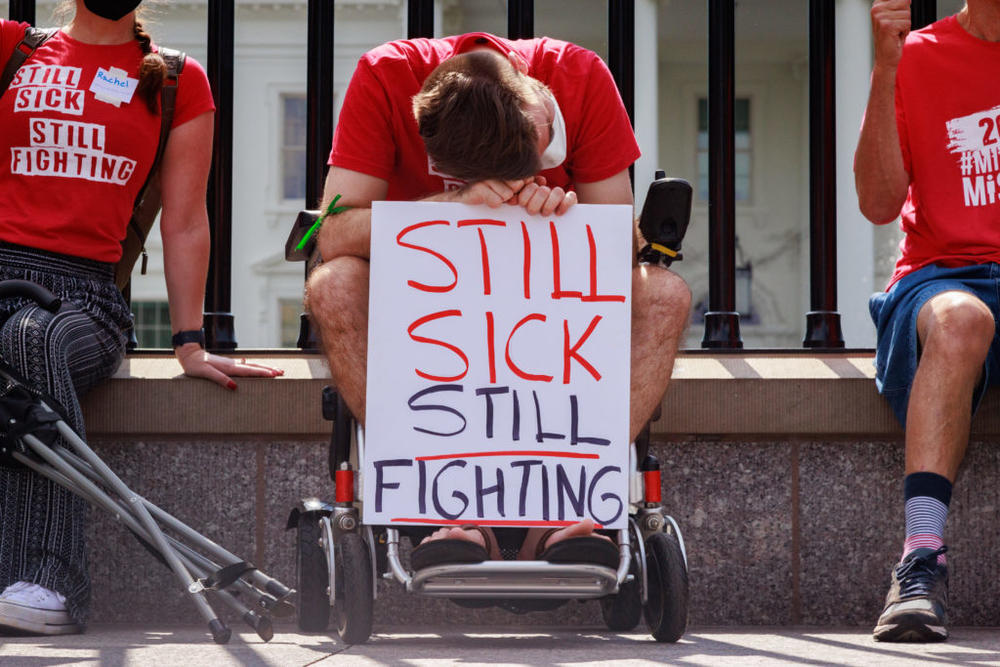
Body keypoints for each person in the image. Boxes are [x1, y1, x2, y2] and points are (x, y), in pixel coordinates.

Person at [305, 32, 690, 567]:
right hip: (422, 315)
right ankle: (443, 505)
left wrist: (563, 214)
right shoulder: (385, 74)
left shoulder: (577, 75)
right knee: (333, 282)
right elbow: (328, 233)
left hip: (551, 320)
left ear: (535, 96)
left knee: (666, 295)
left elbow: (623, 246)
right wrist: (452, 206)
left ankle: (569, 503)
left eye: (541, 147)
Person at [0, 0, 282, 635]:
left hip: (82, 296)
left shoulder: (178, 80)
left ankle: (49, 579)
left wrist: (189, 342)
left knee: (28, 341)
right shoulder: (14, 49)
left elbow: (184, 220)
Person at [856, 0, 1000, 643]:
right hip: (943, 273)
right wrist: (885, 71)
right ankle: (921, 558)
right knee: (959, 321)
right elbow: (879, 203)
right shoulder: (916, 55)